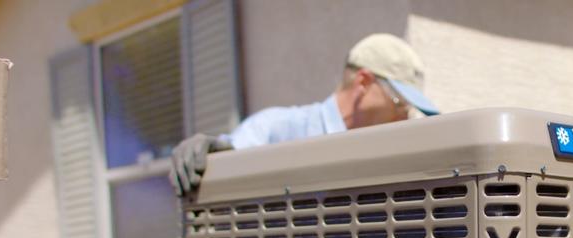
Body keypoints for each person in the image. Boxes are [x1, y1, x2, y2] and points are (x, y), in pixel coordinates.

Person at [170, 33, 439, 196]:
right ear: (364, 83)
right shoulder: (279, 129)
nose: (405, 118)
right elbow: (233, 153)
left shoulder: (389, 156)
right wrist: (209, 153)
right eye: (399, 103)